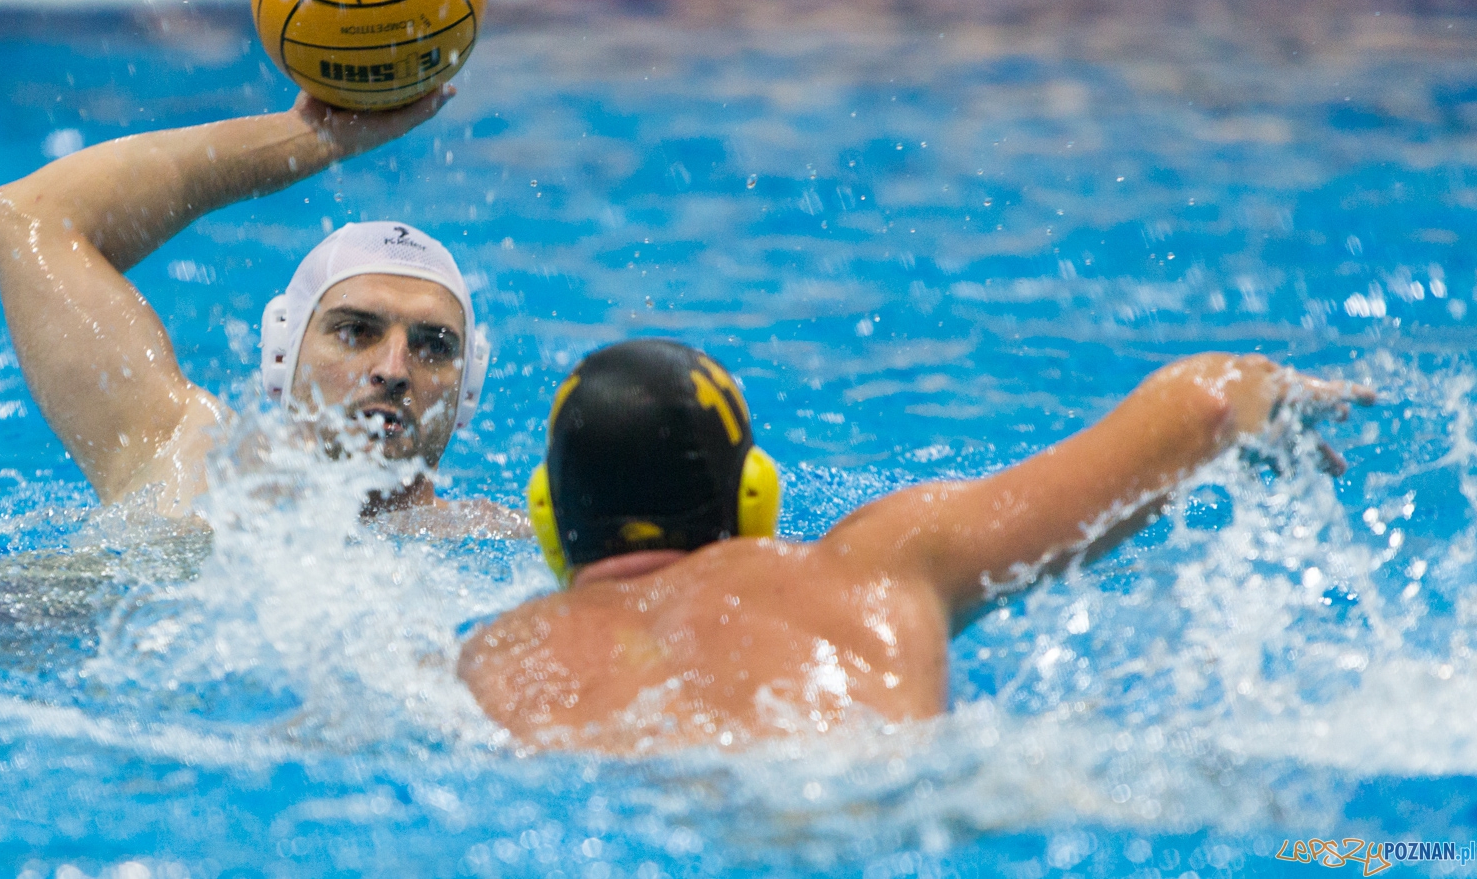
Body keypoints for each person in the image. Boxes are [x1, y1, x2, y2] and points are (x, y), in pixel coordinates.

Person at [459, 339, 1374, 752]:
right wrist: (1260, 392)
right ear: (755, 496)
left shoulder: (489, 661)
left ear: (547, 517)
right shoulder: (874, 562)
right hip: (880, 808)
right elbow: (1208, 401)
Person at [0, 87, 512, 530]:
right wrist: (311, 139)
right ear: (283, 353)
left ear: (469, 387)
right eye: (356, 331)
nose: (394, 370)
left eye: (433, 347)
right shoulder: (191, 463)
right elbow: (32, 216)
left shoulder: (504, 541)